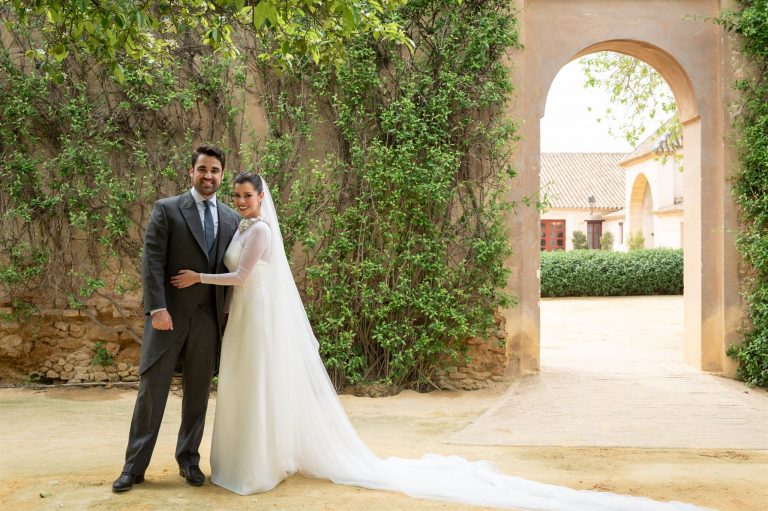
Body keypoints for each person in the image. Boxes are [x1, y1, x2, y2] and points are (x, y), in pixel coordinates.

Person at [171, 173, 714, 511]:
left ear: (261, 198)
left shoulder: (260, 231)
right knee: (244, 384)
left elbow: (242, 279)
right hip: (245, 319)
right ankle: (248, 459)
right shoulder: (237, 226)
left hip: (256, 313)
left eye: (247, 194)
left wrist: (199, 278)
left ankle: (256, 466)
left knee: (259, 383)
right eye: (237, 195)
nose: (241, 201)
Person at [112, 145, 240, 493]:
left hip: (208, 322)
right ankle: (133, 468)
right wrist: (158, 309)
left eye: (215, 170)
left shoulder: (231, 218)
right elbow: (151, 261)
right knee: (151, 393)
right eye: (202, 169)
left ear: (222, 175)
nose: (208, 176)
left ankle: (189, 461)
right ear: (191, 171)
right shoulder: (167, 210)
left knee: (198, 395)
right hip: (167, 317)